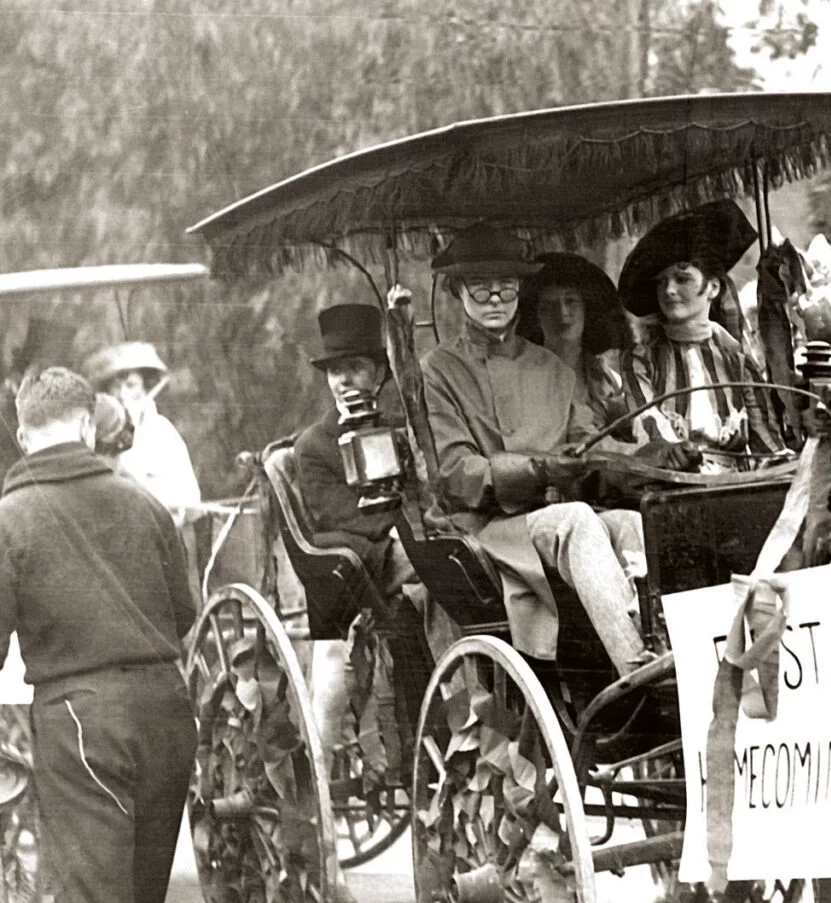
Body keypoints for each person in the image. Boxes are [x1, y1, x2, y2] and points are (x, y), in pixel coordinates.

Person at [0, 367, 197, 903]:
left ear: (24, 436)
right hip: (169, 712)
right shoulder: (143, 503)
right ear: (86, 424)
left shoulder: (3, 524)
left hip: (82, 725)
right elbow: (185, 613)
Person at [421, 224, 696, 674]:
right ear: (457, 290)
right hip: (490, 527)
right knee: (577, 519)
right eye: (481, 286)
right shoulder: (438, 371)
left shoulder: (549, 366)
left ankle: (676, 648)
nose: (495, 298)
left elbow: (589, 444)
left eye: (506, 286)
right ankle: (640, 670)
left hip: (552, 517)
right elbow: (455, 472)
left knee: (632, 523)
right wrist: (536, 469)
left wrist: (649, 457)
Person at [293, 303, 437, 766]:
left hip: (403, 552)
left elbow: (422, 490)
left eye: (354, 367)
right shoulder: (314, 444)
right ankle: (320, 763)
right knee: (333, 664)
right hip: (347, 563)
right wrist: (398, 534)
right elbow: (332, 513)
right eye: (335, 371)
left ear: (377, 375)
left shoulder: (401, 429)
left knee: (441, 576)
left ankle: (431, 723)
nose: (343, 380)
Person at [614, 200, 786, 470]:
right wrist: (674, 453)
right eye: (662, 282)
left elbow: (768, 448)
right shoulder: (640, 360)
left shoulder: (738, 363)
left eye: (682, 279)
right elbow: (650, 429)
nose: (669, 290)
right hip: (673, 486)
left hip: (736, 486)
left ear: (713, 288)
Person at [82, 341, 202, 594]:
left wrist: (137, 484)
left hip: (167, 542)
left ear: (147, 388)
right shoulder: (99, 436)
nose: (123, 394)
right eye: (115, 386)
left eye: (131, 385)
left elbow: (189, 501)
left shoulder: (163, 433)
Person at [522, 252, 633, 426]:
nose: (562, 314)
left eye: (571, 301)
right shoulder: (522, 378)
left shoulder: (607, 379)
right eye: (550, 305)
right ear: (536, 316)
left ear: (587, 309)